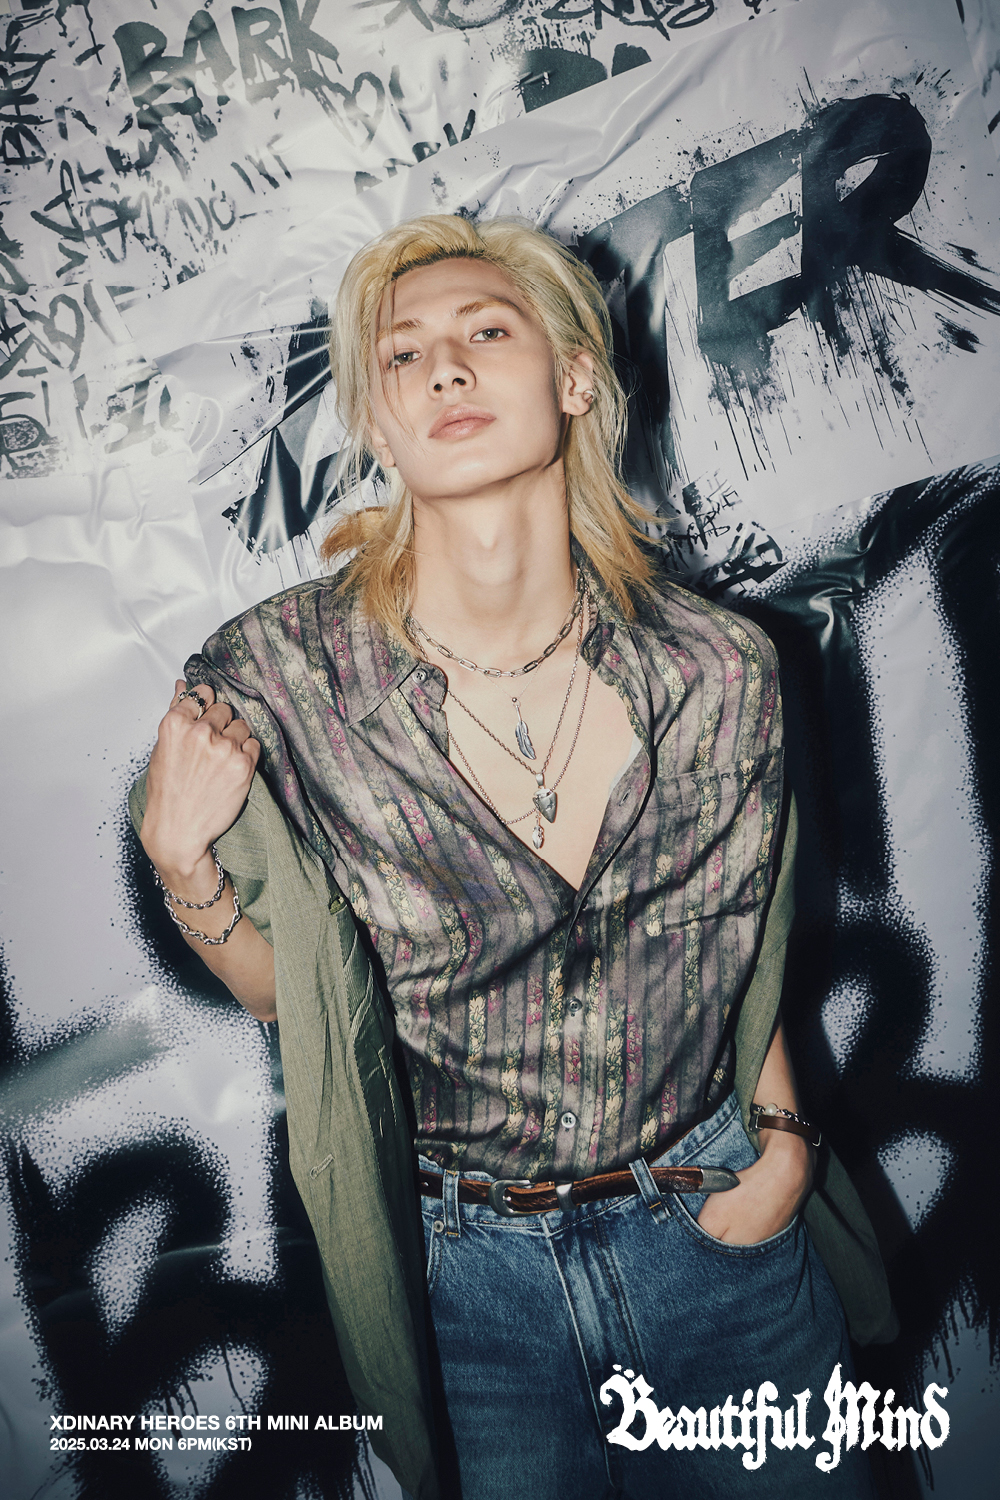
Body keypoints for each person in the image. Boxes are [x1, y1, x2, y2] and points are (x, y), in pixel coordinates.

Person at [131, 215, 892, 1499]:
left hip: (719, 1235)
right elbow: (289, 995)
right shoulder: (281, 680)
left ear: (576, 378)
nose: (445, 367)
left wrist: (778, 1144)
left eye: (487, 331)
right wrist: (179, 864)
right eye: (403, 354)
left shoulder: (719, 669)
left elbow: (740, 946)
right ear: (378, 424)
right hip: (471, 1291)